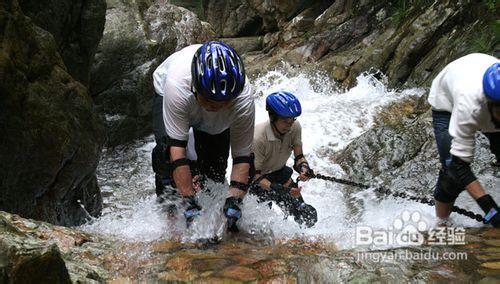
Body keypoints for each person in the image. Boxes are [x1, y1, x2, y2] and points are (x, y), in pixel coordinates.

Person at [151, 41, 255, 231]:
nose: (214, 106)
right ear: (195, 87)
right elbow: (176, 150)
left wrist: (233, 203)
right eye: (208, 100)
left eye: (221, 102)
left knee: (215, 172)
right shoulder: (177, 86)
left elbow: (242, 158)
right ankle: (170, 221)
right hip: (172, 94)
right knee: (164, 155)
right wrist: (189, 202)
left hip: (215, 106)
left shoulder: (243, 100)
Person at [428, 53, 500, 227]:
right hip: (447, 104)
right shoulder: (469, 106)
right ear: (491, 104)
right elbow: (459, 167)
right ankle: (442, 224)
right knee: (451, 175)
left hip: (476, 74)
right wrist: (490, 209)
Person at [250, 91, 317, 227]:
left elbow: (299, 157)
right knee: (258, 228)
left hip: (280, 175)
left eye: (292, 120)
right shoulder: (258, 138)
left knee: (306, 217)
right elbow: (255, 176)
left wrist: (304, 169)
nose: (290, 125)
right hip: (257, 183)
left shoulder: (294, 127)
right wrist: (277, 188)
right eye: (285, 121)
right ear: (272, 117)